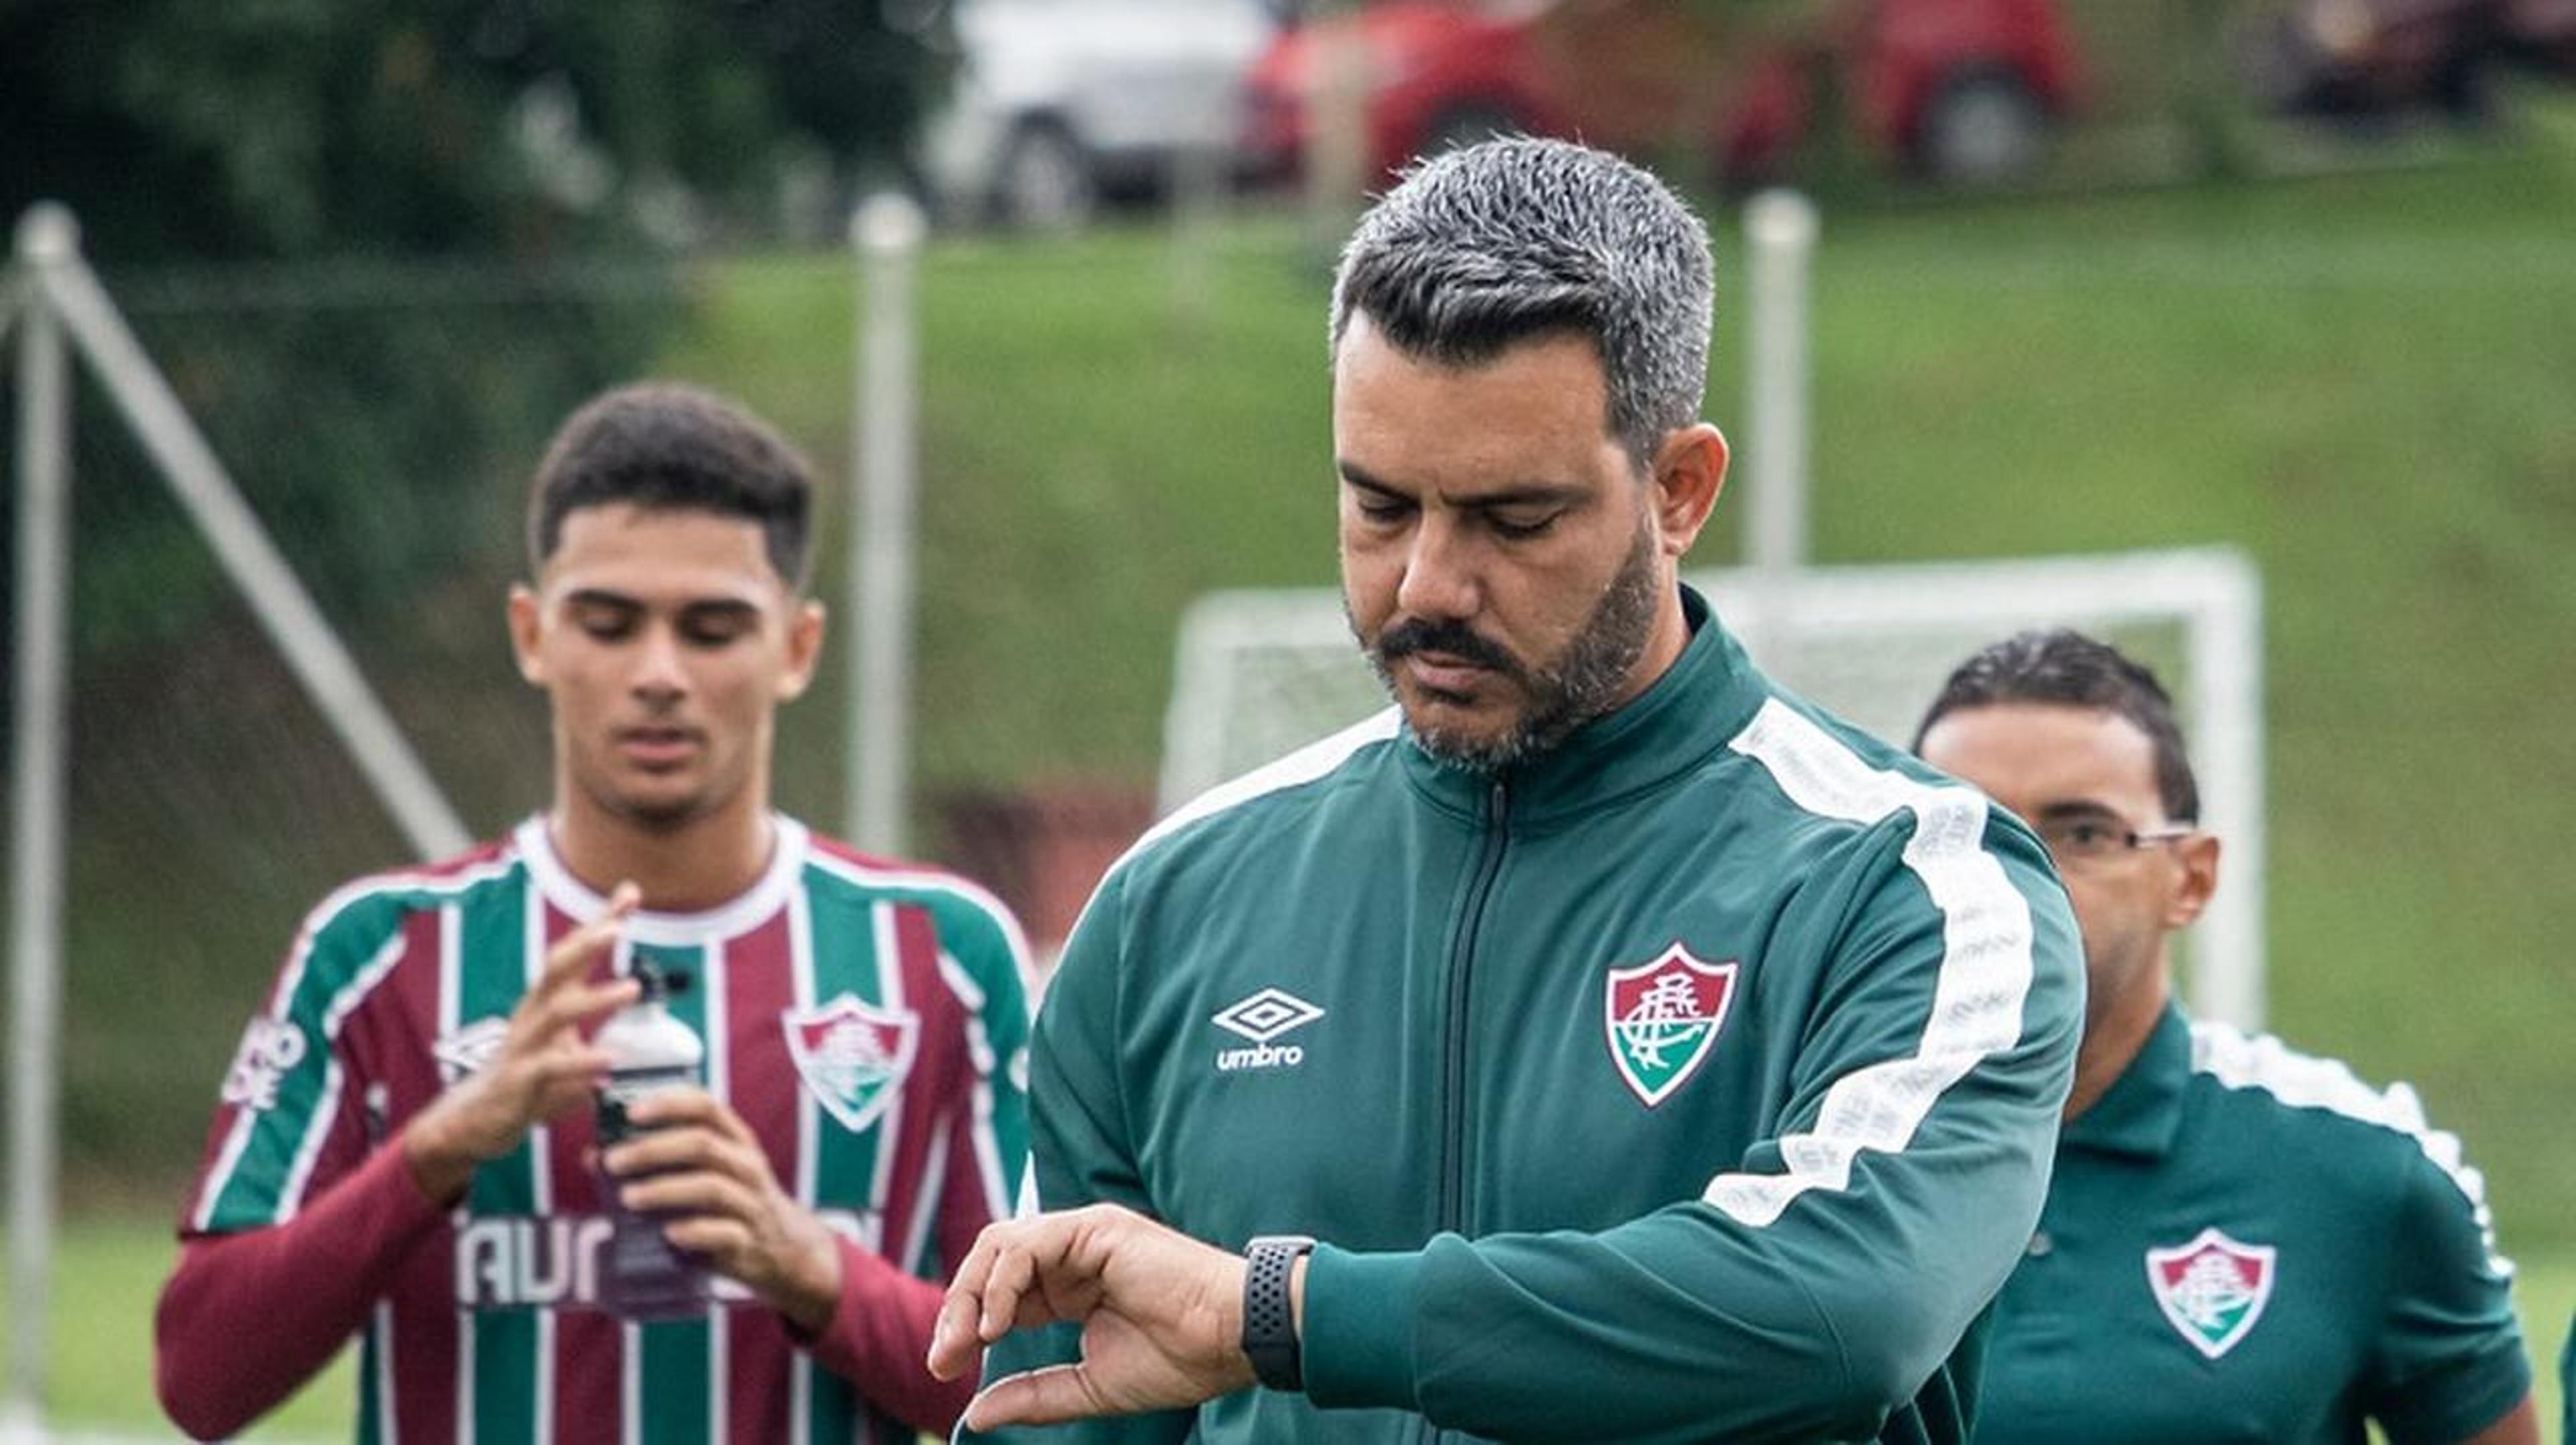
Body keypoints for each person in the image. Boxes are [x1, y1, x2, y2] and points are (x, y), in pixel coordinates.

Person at [926, 136, 2084, 1444]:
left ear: (1679, 489)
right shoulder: (1168, 911)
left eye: (1512, 520)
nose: (1427, 585)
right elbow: (1058, 1409)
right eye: (1378, 507)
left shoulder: (1917, 889)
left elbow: (1844, 1307)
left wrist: (1288, 1313)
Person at [154, 382, 1033, 1442]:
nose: (658, 674)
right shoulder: (380, 952)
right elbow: (200, 1377)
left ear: (796, 648)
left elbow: (1038, 1392)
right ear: (533, 633)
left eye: (712, 629)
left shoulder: (942, 956)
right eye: (608, 624)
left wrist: (806, 1266)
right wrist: (442, 1145)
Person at [1910, 629, 2538, 1445]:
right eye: (1976, 831)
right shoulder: (1801, 1144)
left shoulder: (2363, 1173)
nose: (2019, 876)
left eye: (2084, 834)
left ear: (2192, 878)